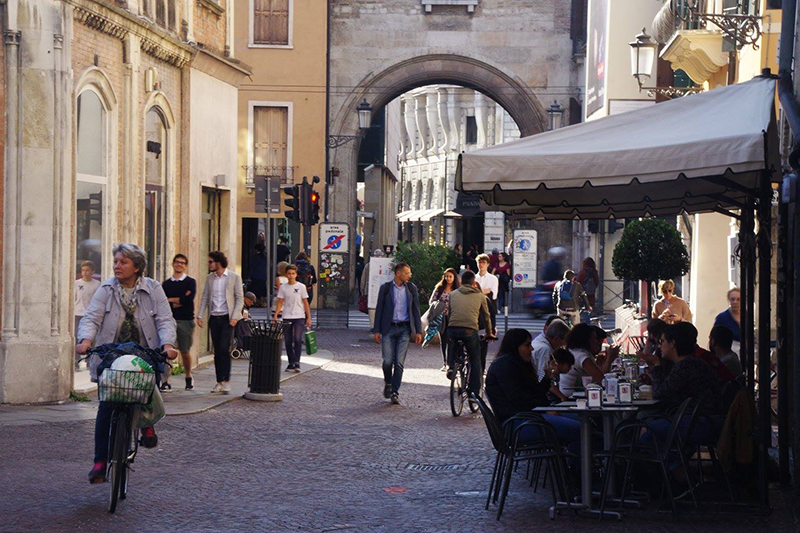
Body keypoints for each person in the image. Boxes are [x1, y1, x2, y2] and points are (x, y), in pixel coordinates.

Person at [76, 243, 178, 484]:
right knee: (106, 407)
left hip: (144, 351)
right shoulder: (107, 288)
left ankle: (147, 422)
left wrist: (167, 346)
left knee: (146, 384)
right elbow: (92, 316)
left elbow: (165, 320)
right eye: (116, 261)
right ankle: (100, 462)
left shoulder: (153, 289)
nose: (116, 266)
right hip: (112, 352)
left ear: (137, 267)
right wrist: (86, 340)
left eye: (123, 262)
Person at [484, 328, 581, 456]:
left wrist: (547, 378)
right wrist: (544, 410)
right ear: (515, 346)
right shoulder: (505, 365)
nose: (532, 349)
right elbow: (517, 398)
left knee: (582, 419)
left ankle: (579, 466)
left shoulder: (514, 363)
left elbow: (533, 393)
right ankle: (577, 470)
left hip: (527, 418)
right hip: (519, 424)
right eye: (527, 345)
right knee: (579, 429)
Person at [640, 323, 724, 445]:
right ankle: (668, 462)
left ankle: (651, 462)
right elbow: (669, 386)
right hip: (703, 419)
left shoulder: (687, 365)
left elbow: (660, 393)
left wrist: (657, 365)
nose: (659, 346)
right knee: (648, 420)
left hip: (699, 422)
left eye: (662, 341)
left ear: (672, 343)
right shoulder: (690, 362)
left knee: (645, 427)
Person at [373, 262, 423, 404]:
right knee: (388, 361)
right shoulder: (386, 288)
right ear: (398, 273)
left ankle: (395, 392)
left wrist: (418, 331)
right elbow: (379, 309)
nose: (409, 275)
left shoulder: (412, 289)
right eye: (407, 273)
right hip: (388, 328)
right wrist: (377, 330)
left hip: (404, 329)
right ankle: (388, 382)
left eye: (410, 273)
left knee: (399, 362)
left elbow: (416, 309)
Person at [197, 251, 244, 394]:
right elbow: (205, 297)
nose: (209, 264)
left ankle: (227, 380)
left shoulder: (234, 277)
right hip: (214, 317)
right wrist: (200, 315)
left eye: (211, 262)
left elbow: (239, 299)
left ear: (218, 262)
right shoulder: (210, 278)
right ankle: (219, 381)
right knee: (217, 351)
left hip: (227, 319)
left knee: (224, 349)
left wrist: (235, 316)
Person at [447, 270, 493, 397]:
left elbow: (450, 314)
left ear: (461, 282)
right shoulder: (480, 296)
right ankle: (473, 393)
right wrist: (489, 332)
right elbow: (486, 316)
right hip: (470, 329)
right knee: (475, 359)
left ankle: (452, 366)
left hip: (453, 328)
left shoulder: (453, 294)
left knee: (454, 344)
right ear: (474, 282)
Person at [161, 254, 197, 391]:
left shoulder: (190, 282)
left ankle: (188, 375)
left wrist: (172, 300)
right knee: (167, 350)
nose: (179, 265)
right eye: (177, 262)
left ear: (185, 266)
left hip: (185, 320)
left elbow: (188, 300)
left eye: (182, 263)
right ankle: (165, 380)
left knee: (184, 350)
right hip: (169, 320)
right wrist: (178, 300)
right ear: (173, 264)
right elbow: (164, 302)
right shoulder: (166, 284)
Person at [559, 323, 619, 398]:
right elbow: (602, 381)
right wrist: (609, 359)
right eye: (593, 339)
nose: (596, 342)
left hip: (574, 394)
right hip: (572, 397)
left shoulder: (576, 351)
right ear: (585, 340)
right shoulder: (582, 356)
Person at [273, 265, 312, 372]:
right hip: (287, 315)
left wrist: (309, 317)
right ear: (286, 274)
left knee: (297, 339)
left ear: (296, 275)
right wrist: (276, 314)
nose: (291, 276)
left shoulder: (301, 287)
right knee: (288, 340)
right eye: (289, 273)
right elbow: (280, 301)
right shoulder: (283, 287)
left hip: (299, 316)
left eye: (293, 274)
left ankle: (297, 362)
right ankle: (291, 362)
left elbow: (305, 302)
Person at [430, 268, 460, 372]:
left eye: (450, 276)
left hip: (453, 318)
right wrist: (439, 308)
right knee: (443, 339)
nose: (448, 278)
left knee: (451, 339)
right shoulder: (439, 288)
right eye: (446, 276)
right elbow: (432, 301)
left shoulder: (458, 289)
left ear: (454, 277)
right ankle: (445, 362)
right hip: (441, 318)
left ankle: (451, 362)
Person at [74, 260, 101, 370]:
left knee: (92, 339)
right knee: (77, 337)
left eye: (87, 270)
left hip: (91, 314)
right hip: (78, 313)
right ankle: (76, 361)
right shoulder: (76, 284)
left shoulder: (97, 284)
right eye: (83, 270)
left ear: (92, 271)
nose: (85, 272)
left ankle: (90, 361)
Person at [361, 249, 386, 329]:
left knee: (372, 308)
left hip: (370, 289)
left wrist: (362, 290)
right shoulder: (385, 265)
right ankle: (380, 325)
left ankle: (372, 326)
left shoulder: (368, 265)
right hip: (381, 289)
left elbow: (363, 279)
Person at [475, 253, 499, 336]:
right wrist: (484, 291)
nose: (481, 264)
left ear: (488, 264)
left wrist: (478, 291)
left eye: (483, 262)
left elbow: (493, 294)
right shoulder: (474, 278)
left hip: (489, 307)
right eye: (479, 262)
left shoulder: (493, 278)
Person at [713, 288, 741, 352]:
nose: (735, 302)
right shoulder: (722, 317)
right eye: (732, 299)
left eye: (738, 299)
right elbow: (715, 337)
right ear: (729, 300)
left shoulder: (747, 316)